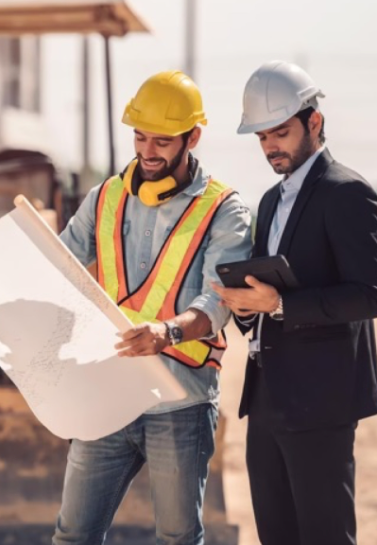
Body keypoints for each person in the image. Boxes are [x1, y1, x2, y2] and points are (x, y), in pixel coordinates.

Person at [52, 70, 252, 545]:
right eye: (140, 137)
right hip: (107, 393)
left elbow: (217, 302)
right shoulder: (104, 197)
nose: (147, 151)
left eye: (162, 140)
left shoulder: (224, 210)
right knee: (72, 536)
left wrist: (168, 332)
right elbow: (58, 265)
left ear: (193, 137)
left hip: (180, 401)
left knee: (177, 539)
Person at [212, 60, 377, 545]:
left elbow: (369, 295)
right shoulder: (268, 201)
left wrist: (282, 305)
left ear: (315, 122)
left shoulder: (348, 193)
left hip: (322, 404)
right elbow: (268, 296)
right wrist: (248, 307)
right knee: (276, 536)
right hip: (267, 400)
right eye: (262, 136)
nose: (270, 146)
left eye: (280, 132)